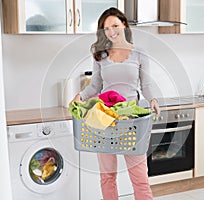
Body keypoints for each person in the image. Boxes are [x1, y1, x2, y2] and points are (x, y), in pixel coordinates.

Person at [70, 7, 160, 200]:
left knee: (140, 178)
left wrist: (152, 100)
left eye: (115, 26)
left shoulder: (139, 53)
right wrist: (80, 96)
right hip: (104, 120)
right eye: (106, 28)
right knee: (107, 177)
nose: (111, 31)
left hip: (131, 121)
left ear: (124, 24)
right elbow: (94, 86)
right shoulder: (100, 55)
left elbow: (146, 85)